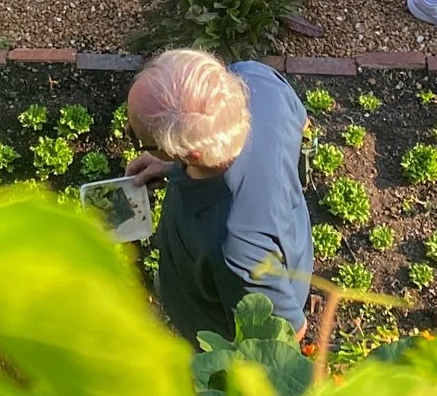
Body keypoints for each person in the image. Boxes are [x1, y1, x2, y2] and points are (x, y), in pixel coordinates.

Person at [125, 47, 313, 342]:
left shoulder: (236, 245)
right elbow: (301, 124)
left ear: (192, 153)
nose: (133, 139)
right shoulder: (256, 80)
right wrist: (168, 161)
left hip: (214, 330)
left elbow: (287, 332)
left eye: (140, 140)